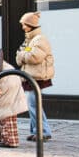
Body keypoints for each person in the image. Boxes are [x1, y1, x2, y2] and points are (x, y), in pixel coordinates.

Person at [16, 11, 54, 142]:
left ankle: (43, 131)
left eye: (24, 24)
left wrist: (22, 55)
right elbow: (19, 57)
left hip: (37, 77)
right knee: (32, 104)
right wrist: (22, 55)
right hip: (31, 76)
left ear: (31, 25)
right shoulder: (30, 40)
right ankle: (36, 131)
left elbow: (34, 57)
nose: (22, 27)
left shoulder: (40, 39)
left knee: (34, 105)